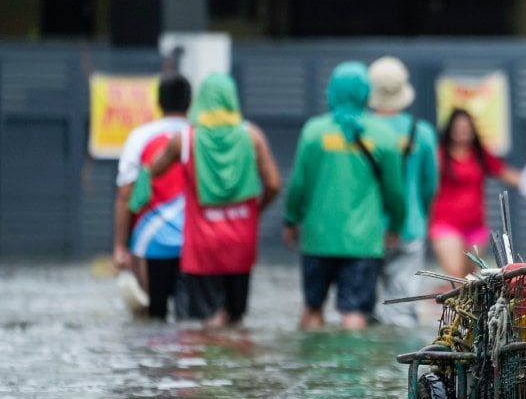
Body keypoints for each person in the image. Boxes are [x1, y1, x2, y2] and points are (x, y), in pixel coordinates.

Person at [149, 73, 281, 328]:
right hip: (241, 239)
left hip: (203, 244)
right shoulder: (251, 135)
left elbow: (153, 169)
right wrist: (257, 210)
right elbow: (274, 184)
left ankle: (211, 363)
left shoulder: (186, 139)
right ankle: (235, 364)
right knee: (236, 317)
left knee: (209, 318)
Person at [284, 61, 407, 331]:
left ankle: (311, 369)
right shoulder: (384, 136)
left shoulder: (313, 132)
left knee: (312, 307)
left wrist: (291, 220)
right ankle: (352, 369)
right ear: (366, 93)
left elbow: (297, 185)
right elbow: (395, 192)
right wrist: (396, 225)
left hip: (317, 238)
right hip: (362, 242)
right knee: (355, 313)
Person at [112, 73, 192, 320]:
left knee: (150, 320)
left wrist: (119, 246)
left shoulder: (140, 136)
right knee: (190, 326)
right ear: (190, 102)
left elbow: (126, 195)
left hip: (150, 243)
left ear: (158, 103)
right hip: (193, 244)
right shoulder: (198, 135)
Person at [367, 56, 439, 328]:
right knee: (403, 310)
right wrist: (418, 213)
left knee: (361, 313)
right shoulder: (421, 132)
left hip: (366, 230)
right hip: (410, 225)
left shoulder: (362, 130)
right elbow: (429, 184)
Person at [429, 107, 522, 280]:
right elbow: (425, 183)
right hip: (446, 225)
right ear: (450, 130)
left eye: (466, 127)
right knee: (456, 275)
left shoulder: (479, 154)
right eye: (458, 127)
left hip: (475, 227)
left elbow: (506, 173)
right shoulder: (439, 155)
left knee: (470, 279)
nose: (463, 131)